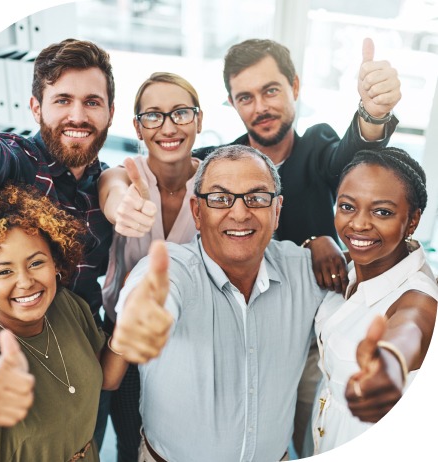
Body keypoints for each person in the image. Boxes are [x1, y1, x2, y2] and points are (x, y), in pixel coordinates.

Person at [192, 37, 401, 454]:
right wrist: (311, 241)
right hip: (239, 340)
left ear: (295, 87)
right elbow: (168, 173)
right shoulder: (219, 162)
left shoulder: (317, 149)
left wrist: (372, 115)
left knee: (315, 437)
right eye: (245, 97)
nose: (260, 107)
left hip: (312, 342)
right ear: (233, 104)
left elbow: (351, 155)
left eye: (271, 90)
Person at [0, 38, 123, 448]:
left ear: (110, 113)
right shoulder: (20, 166)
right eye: (62, 100)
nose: (77, 115)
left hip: (86, 356)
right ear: (36, 108)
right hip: (10, 360)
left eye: (92, 102)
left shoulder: (105, 183)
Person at [110, 145, 328, 462]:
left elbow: (377, 276)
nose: (239, 213)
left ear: (277, 210)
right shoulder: (173, 268)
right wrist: (142, 316)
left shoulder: (306, 271)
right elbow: (152, 292)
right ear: (197, 212)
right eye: (220, 199)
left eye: (256, 198)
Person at [0, 184, 135, 461]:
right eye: (4, 271)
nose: (26, 282)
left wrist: (127, 316)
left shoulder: (68, 306)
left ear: (55, 262)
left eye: (36, 263)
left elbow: (107, 379)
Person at [98, 72, 203, 462]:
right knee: (129, 440)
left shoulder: (216, 186)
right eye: (153, 116)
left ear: (199, 120)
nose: (169, 127)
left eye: (180, 112)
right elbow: (113, 191)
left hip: (190, 340)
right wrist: (122, 208)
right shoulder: (123, 176)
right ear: (138, 129)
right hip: (122, 335)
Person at [309, 147, 438, 455]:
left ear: (412, 221)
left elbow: (410, 328)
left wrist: (391, 363)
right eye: (347, 206)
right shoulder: (351, 267)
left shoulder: (419, 298)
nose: (359, 224)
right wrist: (316, 241)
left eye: (382, 212)